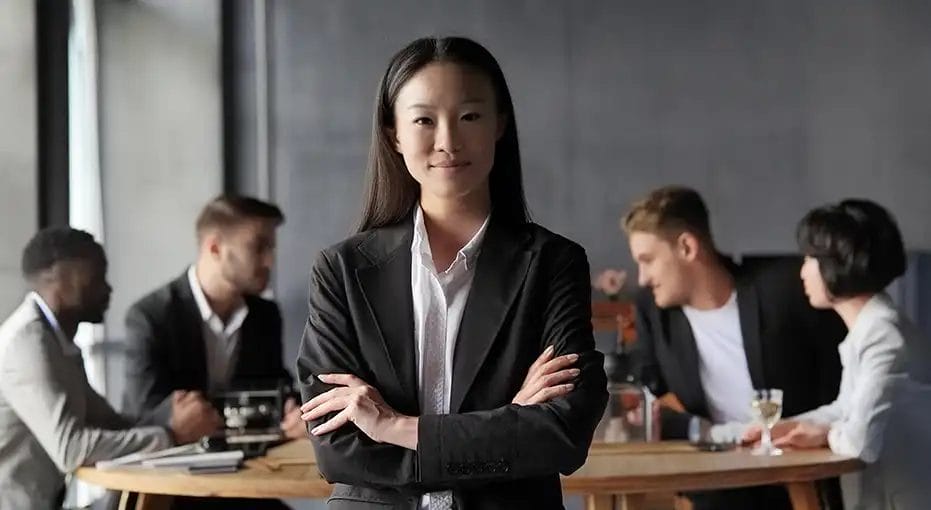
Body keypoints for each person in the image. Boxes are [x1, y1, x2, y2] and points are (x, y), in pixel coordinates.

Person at [296, 36, 607, 509]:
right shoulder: (342, 271)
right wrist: (507, 422)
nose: (447, 141)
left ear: (500, 124)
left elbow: (562, 433)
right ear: (394, 134)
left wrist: (396, 428)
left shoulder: (552, 263)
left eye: (470, 117)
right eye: (423, 120)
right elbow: (338, 453)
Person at [623, 186, 847, 510]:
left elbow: (840, 370)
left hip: (794, 472)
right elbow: (643, 391)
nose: (642, 278)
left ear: (687, 247)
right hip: (715, 478)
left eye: (648, 261)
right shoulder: (653, 311)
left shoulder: (782, 289)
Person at [0, 227, 218, 509]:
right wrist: (171, 434)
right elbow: (72, 449)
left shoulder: (56, 341)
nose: (108, 287)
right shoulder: (27, 344)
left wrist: (169, 415)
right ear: (58, 275)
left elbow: (106, 422)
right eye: (97, 274)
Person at [744, 199, 931, 510]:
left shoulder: (882, 334)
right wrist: (789, 426)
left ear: (839, 263)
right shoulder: (872, 327)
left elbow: (860, 443)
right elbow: (846, 407)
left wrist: (823, 433)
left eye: (810, 258)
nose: (802, 271)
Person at [123, 195, 301, 438]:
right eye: (258, 247)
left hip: (251, 464)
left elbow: (275, 386)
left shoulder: (265, 315)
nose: (269, 261)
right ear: (215, 248)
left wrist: (298, 411)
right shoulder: (150, 317)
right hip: (170, 467)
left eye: (270, 248)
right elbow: (142, 414)